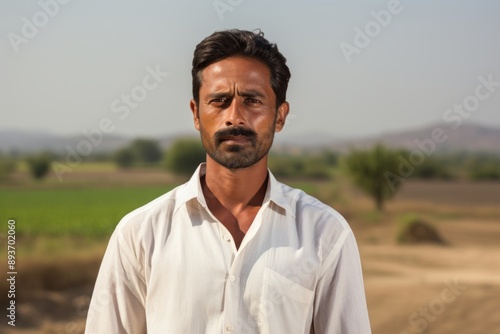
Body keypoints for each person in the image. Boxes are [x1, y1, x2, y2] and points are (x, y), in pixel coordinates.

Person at [85, 29, 371, 334]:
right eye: (219, 101)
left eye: (252, 100)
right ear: (196, 114)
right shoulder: (140, 234)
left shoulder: (324, 233)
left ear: (280, 116)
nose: (235, 117)